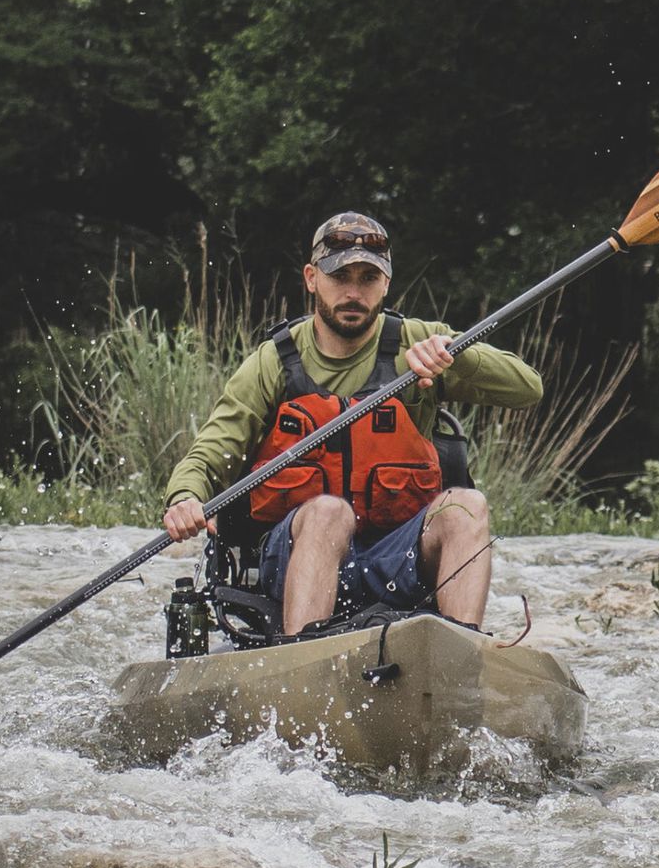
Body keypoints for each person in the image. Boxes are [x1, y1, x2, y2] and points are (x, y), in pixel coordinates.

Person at [162, 212, 542, 634]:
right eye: (340, 276)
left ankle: (457, 652)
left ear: (386, 284)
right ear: (311, 278)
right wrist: (185, 496)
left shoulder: (421, 343)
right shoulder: (273, 362)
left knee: (467, 506)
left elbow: (528, 390)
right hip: (292, 561)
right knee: (328, 512)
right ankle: (303, 658)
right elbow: (212, 451)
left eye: (367, 278)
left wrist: (460, 353)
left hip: (396, 559)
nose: (353, 292)